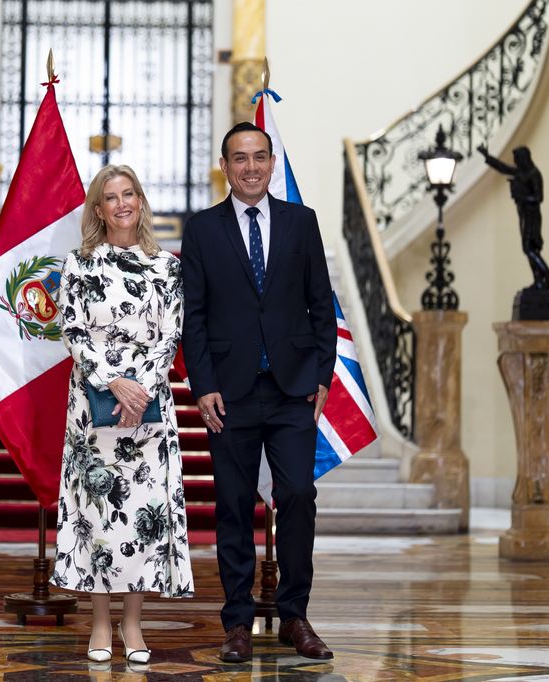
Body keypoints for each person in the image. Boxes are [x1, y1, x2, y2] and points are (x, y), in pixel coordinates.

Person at [181, 121, 337, 662]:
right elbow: (193, 317)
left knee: (298, 496)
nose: (251, 167)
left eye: (260, 157)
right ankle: (238, 624)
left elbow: (322, 302)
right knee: (232, 506)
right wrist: (202, 386)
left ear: (273, 163)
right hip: (230, 394)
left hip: (294, 388)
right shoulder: (202, 230)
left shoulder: (302, 222)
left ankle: (295, 615)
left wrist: (323, 375)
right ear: (225, 166)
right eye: (239, 158)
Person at [51, 164, 192, 665]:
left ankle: (133, 624)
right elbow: (73, 330)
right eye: (110, 197)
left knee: (140, 519)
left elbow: (171, 334)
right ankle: (100, 624)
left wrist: (142, 390)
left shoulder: (168, 266)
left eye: (129, 193)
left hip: (149, 410)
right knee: (99, 515)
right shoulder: (79, 263)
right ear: (98, 208)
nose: (122, 203)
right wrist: (113, 382)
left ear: (140, 200)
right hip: (95, 404)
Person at [477, 144, 549, 290]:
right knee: (529, 249)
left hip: (531, 214)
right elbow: (503, 168)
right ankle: (539, 280)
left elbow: (539, 197)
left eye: (517, 159)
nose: (515, 162)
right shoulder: (521, 172)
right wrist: (487, 156)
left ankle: (547, 276)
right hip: (523, 213)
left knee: (530, 248)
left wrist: (521, 195)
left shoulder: (533, 173)